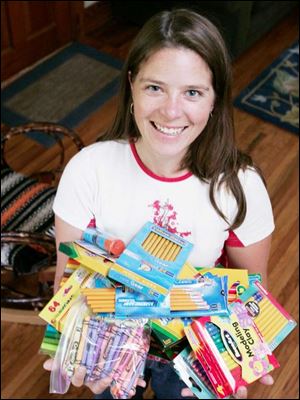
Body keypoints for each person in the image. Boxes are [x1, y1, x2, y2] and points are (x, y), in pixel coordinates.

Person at [43, 8, 275, 399]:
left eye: (192, 92)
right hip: (108, 345)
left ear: (215, 98)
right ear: (131, 85)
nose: (170, 111)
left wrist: (239, 362)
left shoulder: (241, 186)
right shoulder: (88, 170)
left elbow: (251, 295)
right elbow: (70, 286)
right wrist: (71, 345)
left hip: (194, 353)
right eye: (155, 87)